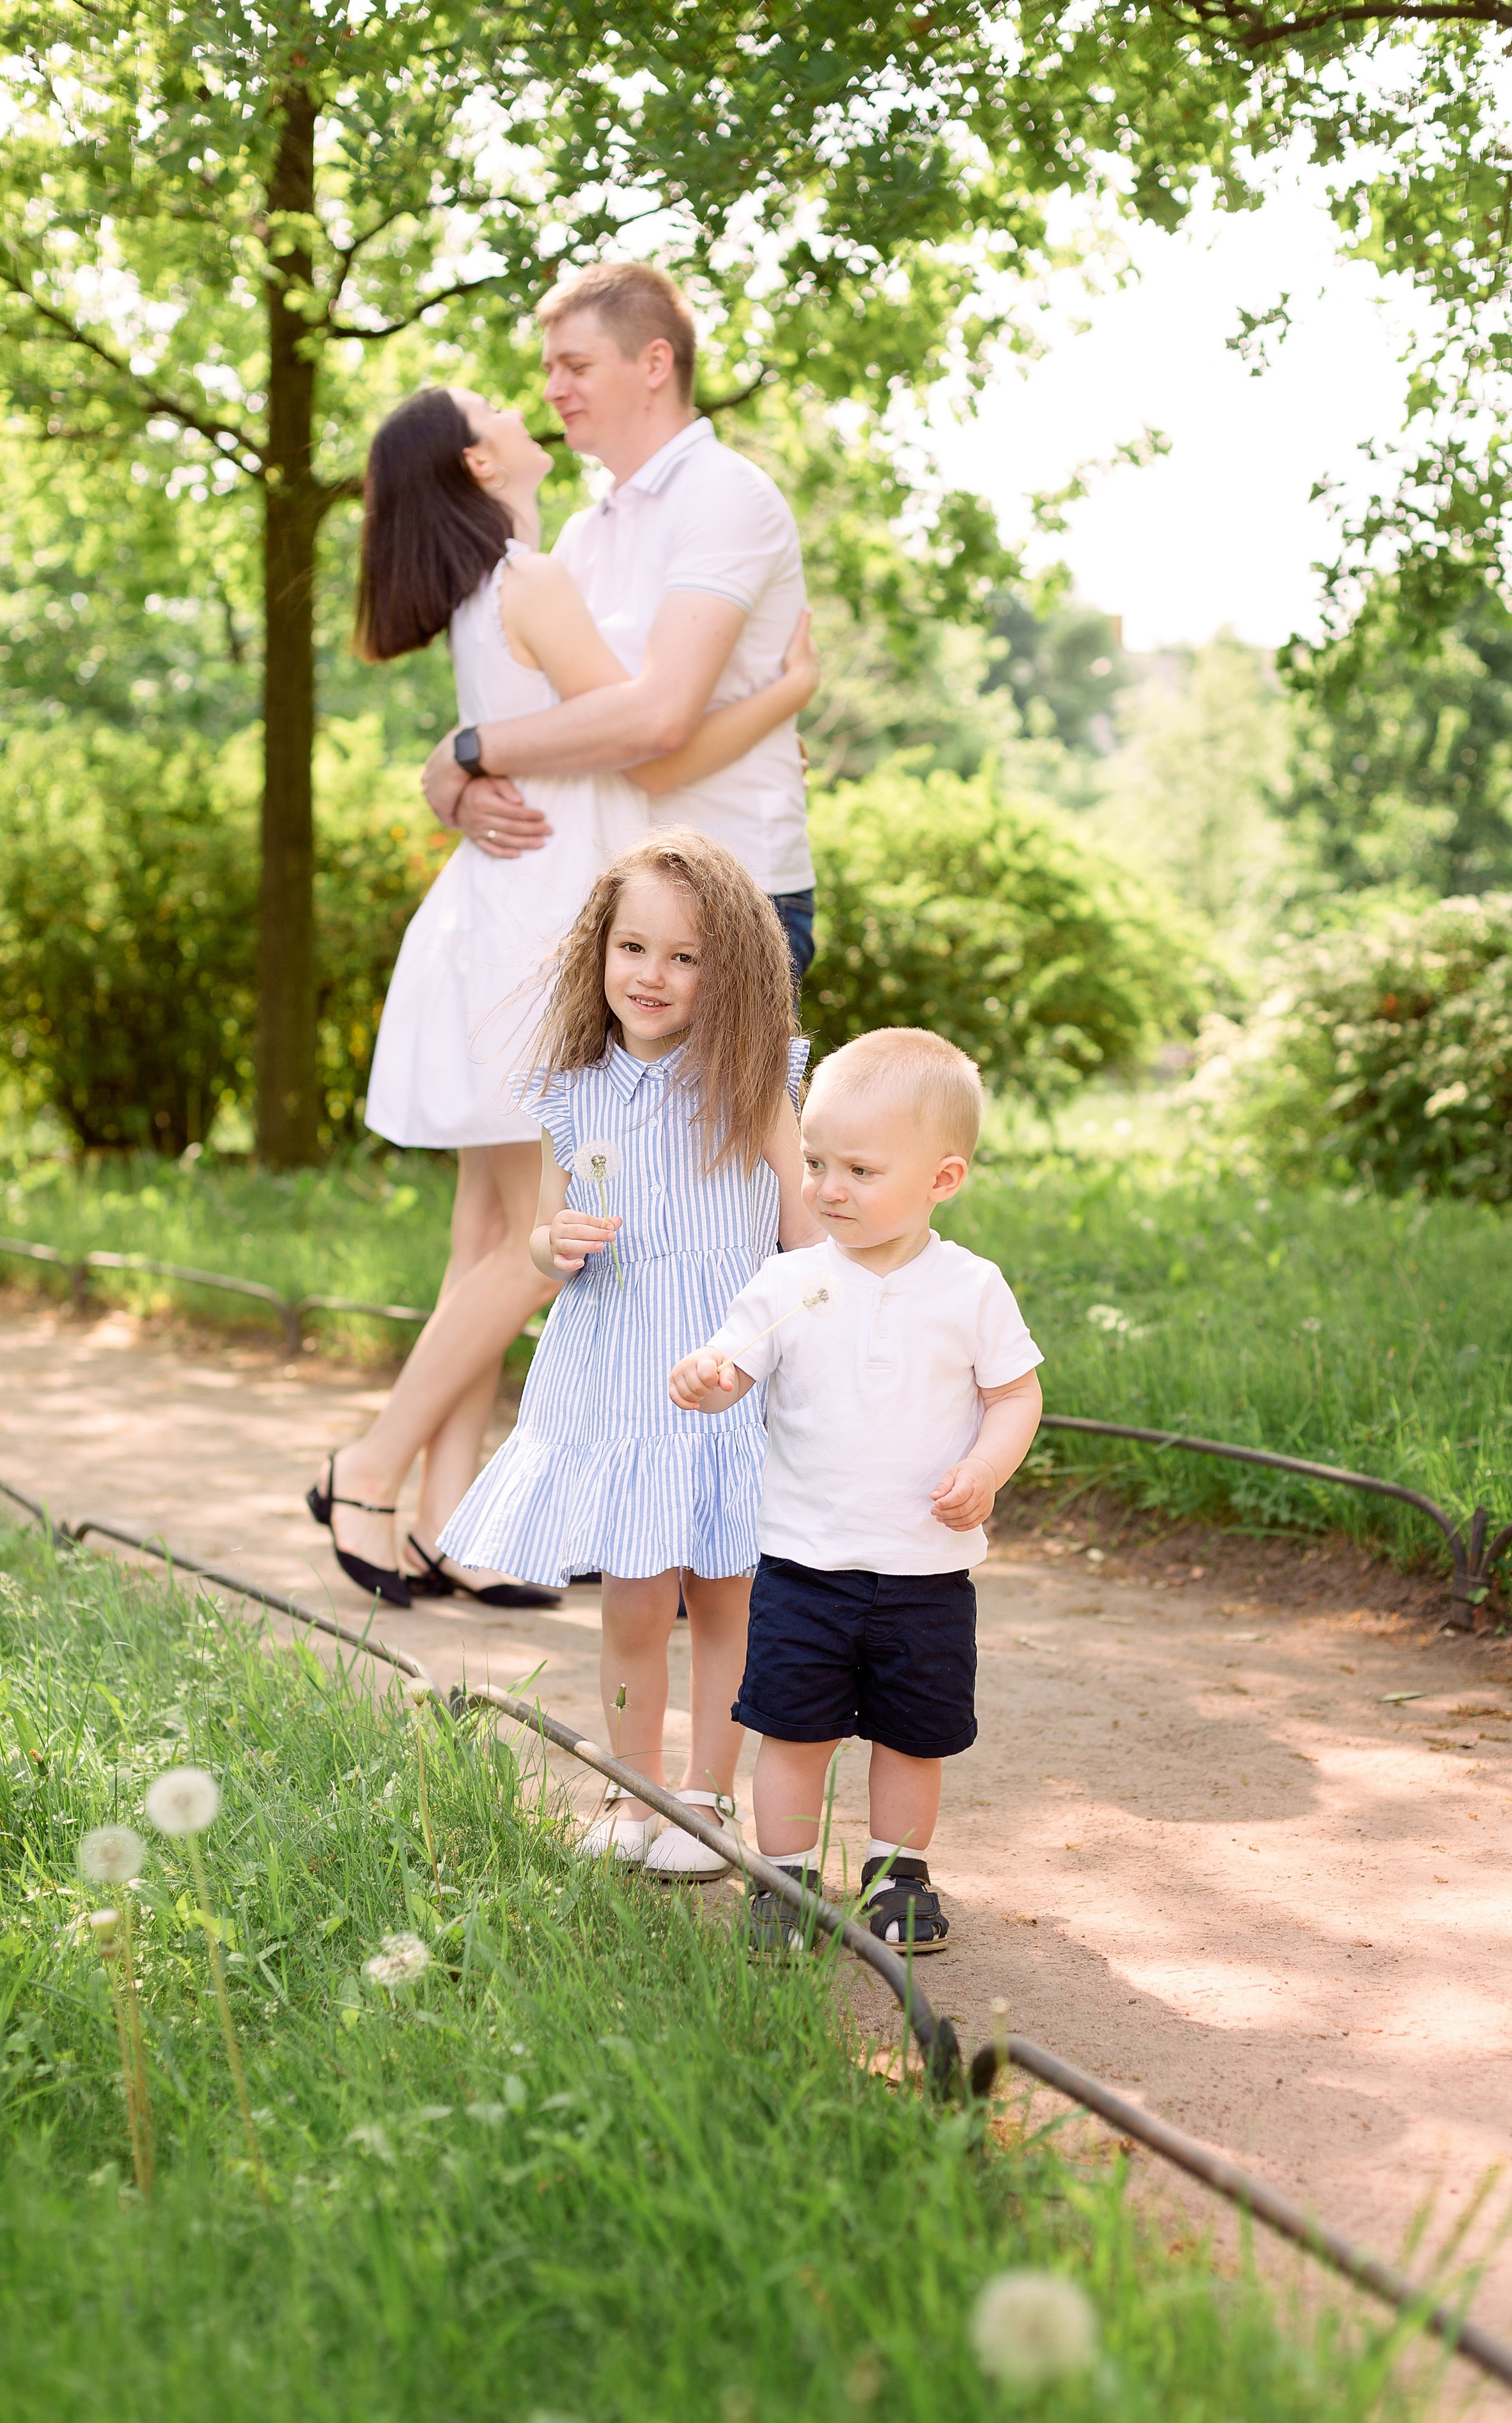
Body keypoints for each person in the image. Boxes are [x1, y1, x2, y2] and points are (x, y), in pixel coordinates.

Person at [307, 388, 817, 1613]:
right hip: (538, 934)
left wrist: (459, 766)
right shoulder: (529, 577)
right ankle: (371, 1470)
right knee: (543, 1239)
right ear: (483, 462)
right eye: (500, 404)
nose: (529, 397)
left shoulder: (500, 588)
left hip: (503, 919)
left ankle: (447, 1520)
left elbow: (531, 738)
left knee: (487, 1239)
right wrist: (783, 697)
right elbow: (653, 745)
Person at [437, 830, 821, 1877]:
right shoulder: (574, 1091)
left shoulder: (749, 1083)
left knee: (728, 1593)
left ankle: (707, 1798)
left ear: (727, 970)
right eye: (634, 949)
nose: (653, 975)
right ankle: (629, 1785)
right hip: (616, 1378)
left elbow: (807, 1234)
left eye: (685, 957)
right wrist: (546, 1245)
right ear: (598, 954)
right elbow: (547, 1232)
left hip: (726, 1374)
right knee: (635, 1598)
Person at [667, 1029, 1045, 1954]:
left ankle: (896, 1872)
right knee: (792, 1733)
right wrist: (709, 1375)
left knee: (914, 1738)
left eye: (860, 1170)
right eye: (816, 1162)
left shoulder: (971, 1288)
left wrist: (987, 1470)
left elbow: (1015, 1395)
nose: (828, 1187)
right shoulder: (789, 1281)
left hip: (925, 1571)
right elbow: (735, 1374)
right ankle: (784, 1881)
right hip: (805, 1566)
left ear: (942, 1180)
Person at [419, 260, 817, 982]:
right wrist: (466, 783)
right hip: (623, 906)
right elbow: (567, 723)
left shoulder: (723, 496)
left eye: (576, 365)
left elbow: (655, 726)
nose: (551, 390)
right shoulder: (582, 533)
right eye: (549, 369)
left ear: (654, 363)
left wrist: (470, 750)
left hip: (729, 901)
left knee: (731, 1106)